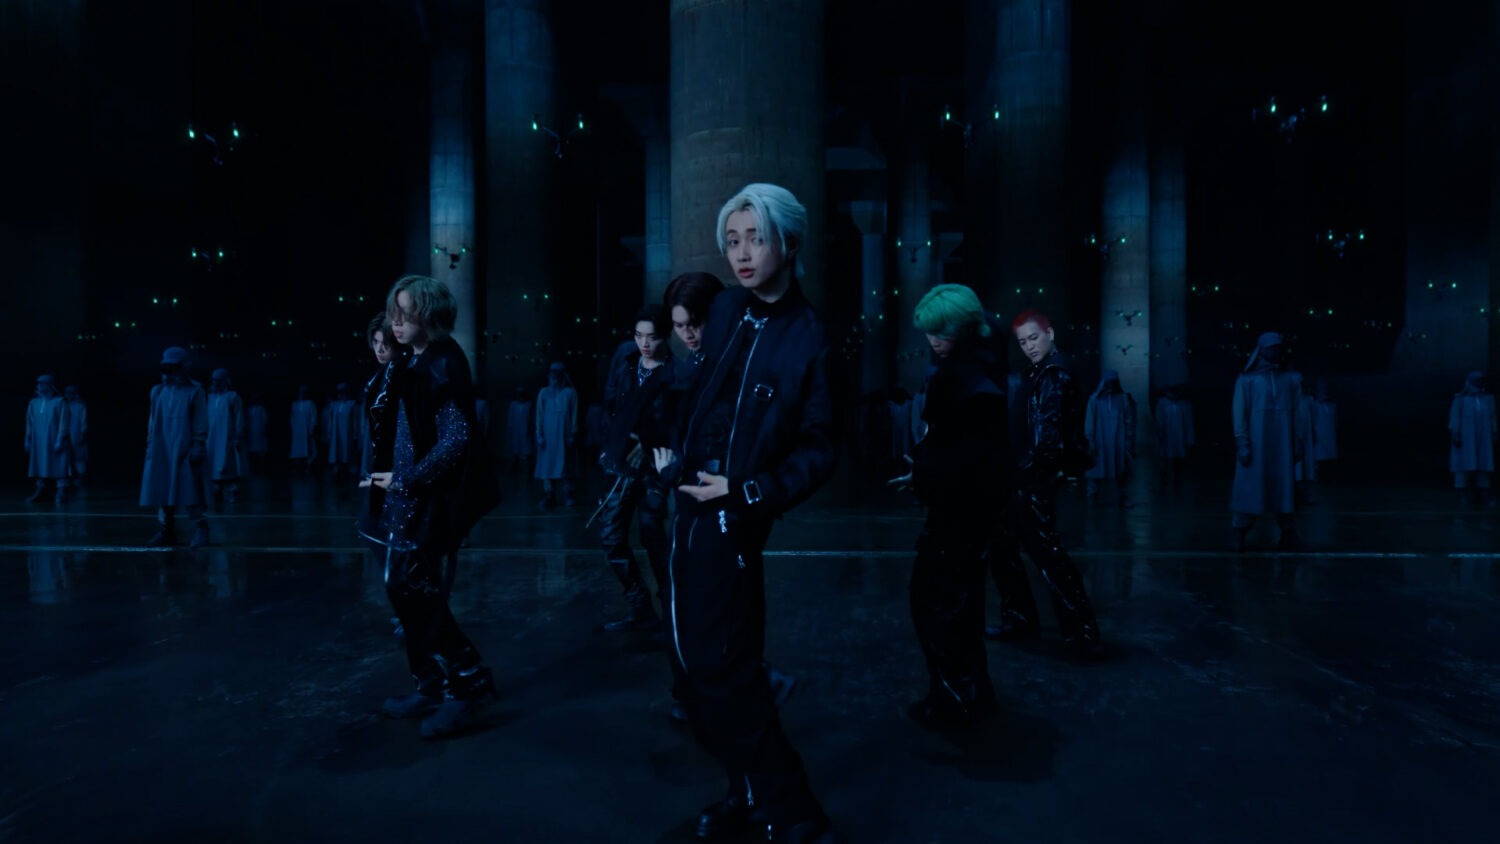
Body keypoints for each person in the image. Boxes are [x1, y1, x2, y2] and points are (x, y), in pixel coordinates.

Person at [653, 183, 840, 843]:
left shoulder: (809, 337)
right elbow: (700, 390)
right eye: (732, 240)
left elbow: (820, 450)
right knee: (691, 668)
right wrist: (670, 455)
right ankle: (747, 790)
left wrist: (747, 491)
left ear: (788, 242)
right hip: (687, 505)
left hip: (733, 517)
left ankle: (792, 809)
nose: (742, 253)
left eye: (755, 238)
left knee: (724, 670)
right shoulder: (728, 308)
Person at [364, 275, 497, 739]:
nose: (396, 322)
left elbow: (456, 440)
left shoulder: (442, 363)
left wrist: (408, 479)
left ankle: (468, 684)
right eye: (394, 313)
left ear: (430, 316)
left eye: (407, 314)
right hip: (404, 496)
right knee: (402, 588)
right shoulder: (414, 358)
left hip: (429, 498)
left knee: (416, 589)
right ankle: (432, 683)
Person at [888, 284, 1005, 728]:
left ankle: (956, 698)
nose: (932, 340)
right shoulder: (980, 370)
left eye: (941, 331)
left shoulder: (964, 380)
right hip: (969, 512)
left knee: (939, 604)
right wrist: (923, 472)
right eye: (930, 331)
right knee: (957, 604)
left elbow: (961, 457)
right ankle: (968, 693)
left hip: (959, 515)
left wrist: (925, 475)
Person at [984, 309, 1103, 658]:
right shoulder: (1041, 371)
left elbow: (1047, 436)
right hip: (1026, 476)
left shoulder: (1054, 373)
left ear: (1050, 334)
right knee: (1003, 545)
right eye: (1023, 342)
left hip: (1034, 479)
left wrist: (1027, 475)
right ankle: (1022, 619)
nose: (1029, 346)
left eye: (1034, 338)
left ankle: (1082, 634)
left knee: (1048, 556)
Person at [594, 305, 675, 633]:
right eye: (639, 336)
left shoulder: (675, 375)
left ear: (664, 336)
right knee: (610, 536)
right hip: (621, 463)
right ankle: (641, 607)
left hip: (654, 467)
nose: (644, 343)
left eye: (652, 337)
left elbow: (679, 426)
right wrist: (611, 444)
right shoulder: (626, 362)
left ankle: (672, 611)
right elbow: (610, 405)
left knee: (653, 537)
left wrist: (650, 442)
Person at [1229, 332, 1303, 551]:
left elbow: (1298, 413)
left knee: (1284, 489)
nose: (1276, 351)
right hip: (1257, 445)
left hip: (1282, 446)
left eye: (1278, 347)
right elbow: (1240, 413)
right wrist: (1243, 443)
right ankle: (1239, 532)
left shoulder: (1290, 380)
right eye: (1271, 347)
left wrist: (1297, 443)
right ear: (1261, 350)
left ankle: (1288, 532)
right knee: (1250, 488)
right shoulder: (1247, 380)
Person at [140, 347, 210, 547]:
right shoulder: (158, 391)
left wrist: (198, 443)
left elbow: (200, 420)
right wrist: (150, 444)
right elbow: (153, 419)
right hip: (162, 447)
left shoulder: (195, 391)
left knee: (191, 490)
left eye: (174, 366)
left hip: (184, 446)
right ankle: (166, 531)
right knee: (163, 489)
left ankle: (202, 529)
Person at [1083, 370, 1136, 508]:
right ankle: (1091, 496)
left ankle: (1123, 496)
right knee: (1095, 469)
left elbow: (1129, 420)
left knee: (1121, 469)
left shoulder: (1123, 399)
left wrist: (1129, 440)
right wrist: (1091, 440)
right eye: (1108, 383)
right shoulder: (1094, 400)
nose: (1110, 386)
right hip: (1100, 442)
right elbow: (1090, 422)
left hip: (1119, 441)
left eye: (1113, 383)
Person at [1449, 371, 1496, 508]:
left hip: (1483, 437)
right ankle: (1462, 492)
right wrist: (1455, 433)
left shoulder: (1488, 399)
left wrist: (1494, 432)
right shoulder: (1460, 399)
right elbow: (1455, 417)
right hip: (1466, 437)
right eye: (1478, 380)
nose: (1481, 383)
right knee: (1462, 463)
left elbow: (1492, 417)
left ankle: (1483, 491)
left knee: (1484, 462)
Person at [534, 362, 579, 507]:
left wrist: (573, 433)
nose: (555, 376)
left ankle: (567, 494)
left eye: (557, 373)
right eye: (552, 373)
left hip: (565, 435)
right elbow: (539, 415)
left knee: (566, 465)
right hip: (548, 437)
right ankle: (549, 494)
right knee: (548, 465)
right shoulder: (543, 392)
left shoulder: (570, 393)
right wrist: (539, 435)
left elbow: (575, 414)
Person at [25, 375, 71, 503]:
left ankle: (61, 490)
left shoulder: (60, 402)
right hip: (38, 441)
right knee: (39, 463)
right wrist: (27, 439)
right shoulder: (34, 403)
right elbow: (29, 422)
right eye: (38, 383)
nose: (39, 385)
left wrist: (60, 439)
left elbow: (63, 422)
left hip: (53, 438)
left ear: (50, 385)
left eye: (42, 383)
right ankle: (42, 489)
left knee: (59, 463)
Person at [206, 369, 246, 504]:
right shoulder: (210, 398)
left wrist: (237, 435)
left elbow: (239, 417)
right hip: (211, 437)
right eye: (214, 380)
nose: (216, 383)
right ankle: (216, 489)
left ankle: (230, 490)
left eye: (219, 380)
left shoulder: (232, 397)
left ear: (225, 381)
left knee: (227, 462)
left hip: (227, 436)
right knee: (213, 462)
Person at [1154, 384, 1195, 492]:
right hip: (1166, 436)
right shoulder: (1162, 403)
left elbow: (1188, 423)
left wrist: (1188, 439)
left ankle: (1177, 481)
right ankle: (1163, 480)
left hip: (1179, 437)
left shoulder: (1184, 404)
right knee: (1165, 458)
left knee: (1178, 459)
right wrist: (1160, 433)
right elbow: (1159, 420)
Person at [327, 383, 361, 478]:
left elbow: (355, 421)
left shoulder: (351, 404)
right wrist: (329, 432)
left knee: (347, 450)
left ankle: (349, 469)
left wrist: (355, 434)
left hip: (347, 433)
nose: (341, 394)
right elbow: (331, 420)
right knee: (337, 449)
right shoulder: (334, 405)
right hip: (336, 433)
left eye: (343, 392)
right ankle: (337, 469)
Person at [1308, 377, 1338, 480]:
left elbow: (1335, 420)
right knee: (1320, 454)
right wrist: (1314, 432)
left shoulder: (1332, 405)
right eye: (1321, 387)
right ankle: (1321, 475)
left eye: (1324, 387)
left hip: (1330, 433)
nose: (1323, 389)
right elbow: (1313, 419)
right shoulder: (1315, 404)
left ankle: (1330, 476)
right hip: (1320, 432)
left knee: (1330, 453)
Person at [503, 386, 533, 473]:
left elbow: (531, 418)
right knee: (515, 449)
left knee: (526, 450)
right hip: (515, 431)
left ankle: (529, 468)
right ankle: (514, 467)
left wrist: (531, 429)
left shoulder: (529, 404)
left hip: (525, 430)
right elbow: (510, 419)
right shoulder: (513, 405)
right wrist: (510, 430)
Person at [63, 385, 87, 490]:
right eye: (66, 393)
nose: (68, 395)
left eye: (70, 393)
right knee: (66, 456)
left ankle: (80, 477)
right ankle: (68, 477)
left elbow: (83, 421)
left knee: (79, 455)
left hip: (76, 434)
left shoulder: (80, 406)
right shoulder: (63, 405)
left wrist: (83, 433)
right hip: (65, 434)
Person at [289, 386, 319, 473]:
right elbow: (292, 417)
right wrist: (293, 428)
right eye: (300, 392)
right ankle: (298, 467)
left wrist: (311, 428)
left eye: (303, 392)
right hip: (297, 431)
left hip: (307, 430)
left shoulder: (310, 403)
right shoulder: (295, 404)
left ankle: (308, 467)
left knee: (309, 448)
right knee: (297, 449)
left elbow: (314, 417)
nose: (301, 394)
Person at [247, 393, 270, 470]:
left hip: (259, 430)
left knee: (260, 449)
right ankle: (254, 466)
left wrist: (264, 428)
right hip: (251, 431)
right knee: (253, 449)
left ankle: (261, 467)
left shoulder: (261, 409)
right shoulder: (250, 409)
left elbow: (264, 419)